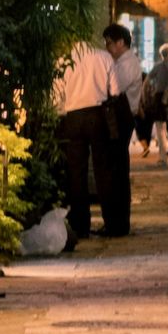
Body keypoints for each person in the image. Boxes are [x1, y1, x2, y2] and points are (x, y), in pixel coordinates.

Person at [53, 41, 120, 239]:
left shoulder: (63, 61)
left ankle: (80, 224)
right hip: (98, 115)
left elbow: (56, 97)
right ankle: (112, 223)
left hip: (73, 117)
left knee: (76, 172)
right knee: (103, 170)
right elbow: (115, 91)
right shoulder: (104, 57)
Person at [100, 24, 142, 236]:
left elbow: (113, 89)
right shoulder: (121, 62)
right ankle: (116, 222)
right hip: (120, 117)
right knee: (115, 170)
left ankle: (118, 223)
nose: (107, 47)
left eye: (109, 42)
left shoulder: (127, 64)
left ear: (120, 43)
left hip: (121, 118)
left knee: (116, 171)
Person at [137, 44, 168, 158]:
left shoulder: (158, 66)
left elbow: (147, 81)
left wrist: (145, 95)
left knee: (160, 126)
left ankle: (163, 154)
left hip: (159, 97)